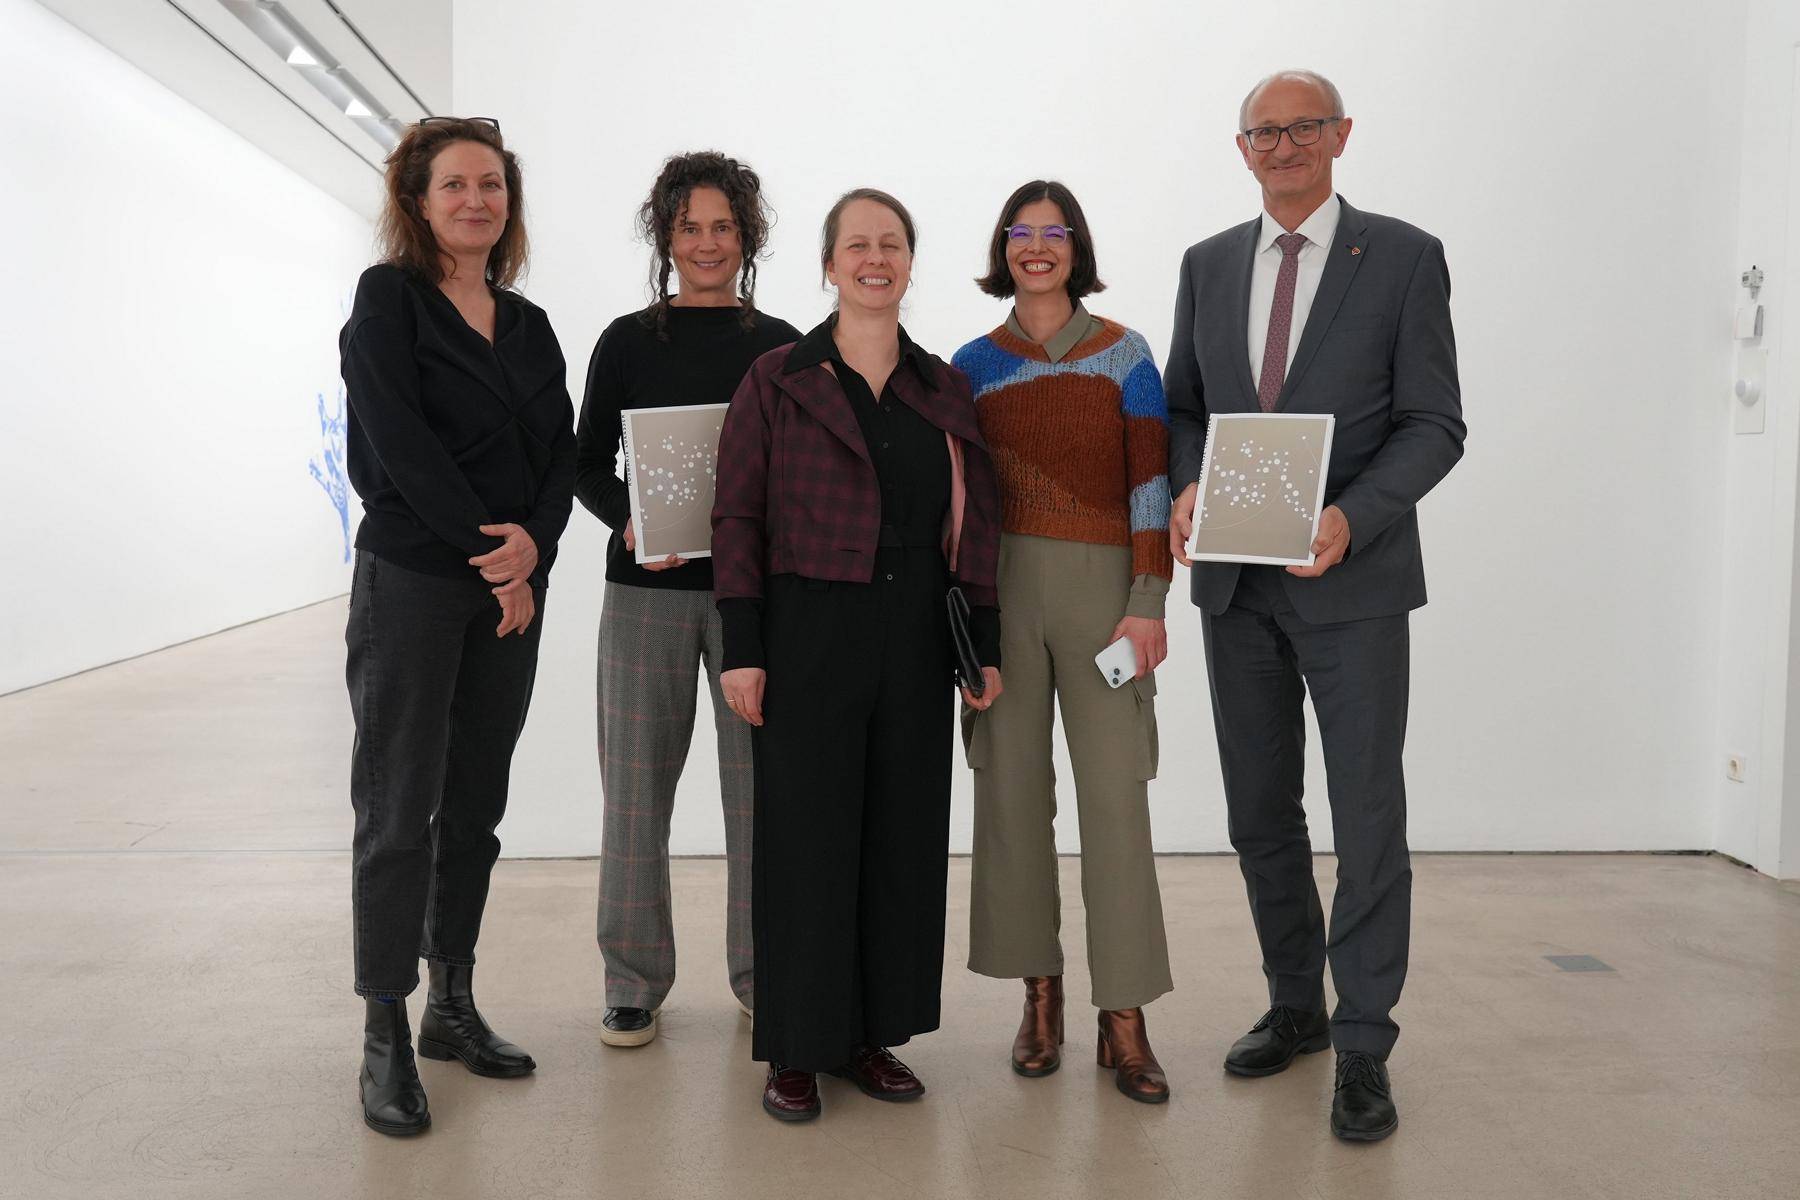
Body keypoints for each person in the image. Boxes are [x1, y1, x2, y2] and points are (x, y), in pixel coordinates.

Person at [1165, 70, 1466, 1142]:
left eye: (1303, 127)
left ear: (1340, 135)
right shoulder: (1206, 266)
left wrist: (1354, 516)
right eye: (1264, 131)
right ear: (1240, 147)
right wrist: (1190, 479)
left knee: (1366, 813)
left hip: (1354, 582)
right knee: (1259, 811)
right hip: (1235, 586)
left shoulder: (1402, 257)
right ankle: (1296, 1003)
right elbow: (1187, 409)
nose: (1284, 145)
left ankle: (1365, 1039)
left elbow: (1436, 423)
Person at [712, 188, 1003, 1122]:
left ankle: (871, 1036)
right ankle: (798, 1046)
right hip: (808, 626)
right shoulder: (778, 377)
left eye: (892, 244)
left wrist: (981, 652)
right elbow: (738, 517)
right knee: (805, 838)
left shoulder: (942, 386)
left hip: (916, 631)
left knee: (901, 836)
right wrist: (744, 649)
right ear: (830, 265)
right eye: (857, 245)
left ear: (910, 263)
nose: (875, 258)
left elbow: (978, 531)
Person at [338, 116, 575, 1136]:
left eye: (492, 184)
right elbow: (396, 445)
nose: (476, 200)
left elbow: (559, 458)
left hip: (512, 591)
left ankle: (453, 1006)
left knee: (473, 809)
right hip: (418, 584)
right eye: (454, 186)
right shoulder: (389, 301)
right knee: (400, 814)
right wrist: (495, 557)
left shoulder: (527, 324)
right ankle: (384, 1029)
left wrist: (536, 549)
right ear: (418, 200)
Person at [951, 181, 1175, 1103]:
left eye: (1054, 233)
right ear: (1003, 248)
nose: (1037, 247)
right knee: (1010, 798)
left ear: (1076, 246)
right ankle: (1038, 997)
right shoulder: (968, 363)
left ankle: (1123, 1017)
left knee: (1116, 801)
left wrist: (1149, 596)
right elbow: (957, 504)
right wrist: (963, 626)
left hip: (1104, 600)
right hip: (1002, 595)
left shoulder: (1128, 355)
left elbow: (1151, 484)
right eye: (1021, 233)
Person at [576, 152, 800, 1048]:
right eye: (688, 226)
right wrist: (627, 522)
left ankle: (763, 973)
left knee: (761, 797)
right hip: (647, 593)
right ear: (663, 236)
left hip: (757, 603)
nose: (706, 243)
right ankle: (633, 982)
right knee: (635, 794)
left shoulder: (783, 344)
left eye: (723, 226)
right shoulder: (626, 342)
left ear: (747, 236)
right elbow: (587, 464)